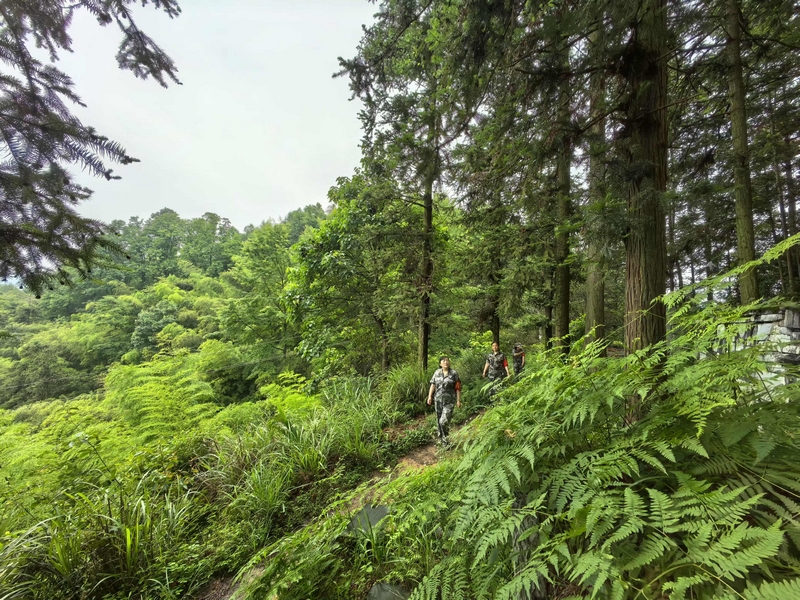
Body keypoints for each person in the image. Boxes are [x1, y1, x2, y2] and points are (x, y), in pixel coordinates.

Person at [427, 355, 462, 447]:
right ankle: (441, 439)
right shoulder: (437, 372)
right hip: (438, 400)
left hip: (449, 401)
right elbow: (433, 385)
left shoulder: (454, 373)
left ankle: (445, 440)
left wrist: (458, 400)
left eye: (447, 360)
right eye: (443, 361)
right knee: (439, 420)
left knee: (444, 421)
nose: (446, 362)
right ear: (440, 364)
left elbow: (458, 388)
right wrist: (429, 396)